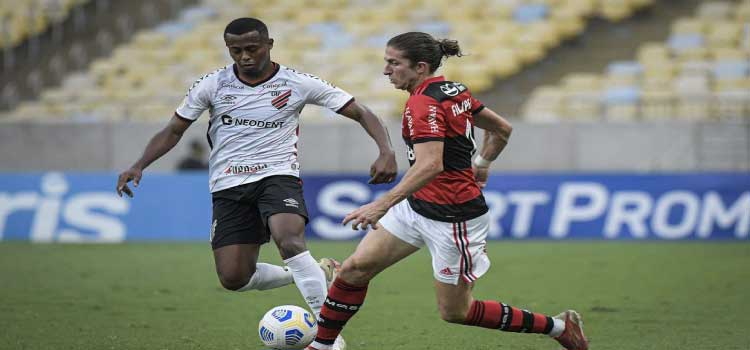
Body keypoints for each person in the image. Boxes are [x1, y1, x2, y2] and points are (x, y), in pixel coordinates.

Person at [116, 18, 397, 349]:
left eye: (252, 48)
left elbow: (360, 111)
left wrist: (386, 150)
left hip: (277, 176)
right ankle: (311, 273)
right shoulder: (212, 85)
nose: (245, 56)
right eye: (236, 50)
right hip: (228, 185)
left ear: (269, 44)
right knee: (234, 278)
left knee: (290, 240)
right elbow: (173, 130)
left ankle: (328, 340)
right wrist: (139, 164)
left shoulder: (297, 82)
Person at [306, 32, 588, 350]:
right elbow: (501, 129)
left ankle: (560, 327)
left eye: (393, 63)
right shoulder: (452, 90)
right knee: (355, 270)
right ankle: (321, 346)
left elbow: (430, 165)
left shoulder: (423, 103)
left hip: (453, 218)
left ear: (420, 67)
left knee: (456, 311)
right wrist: (482, 162)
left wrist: (380, 205)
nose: (386, 70)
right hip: (417, 206)